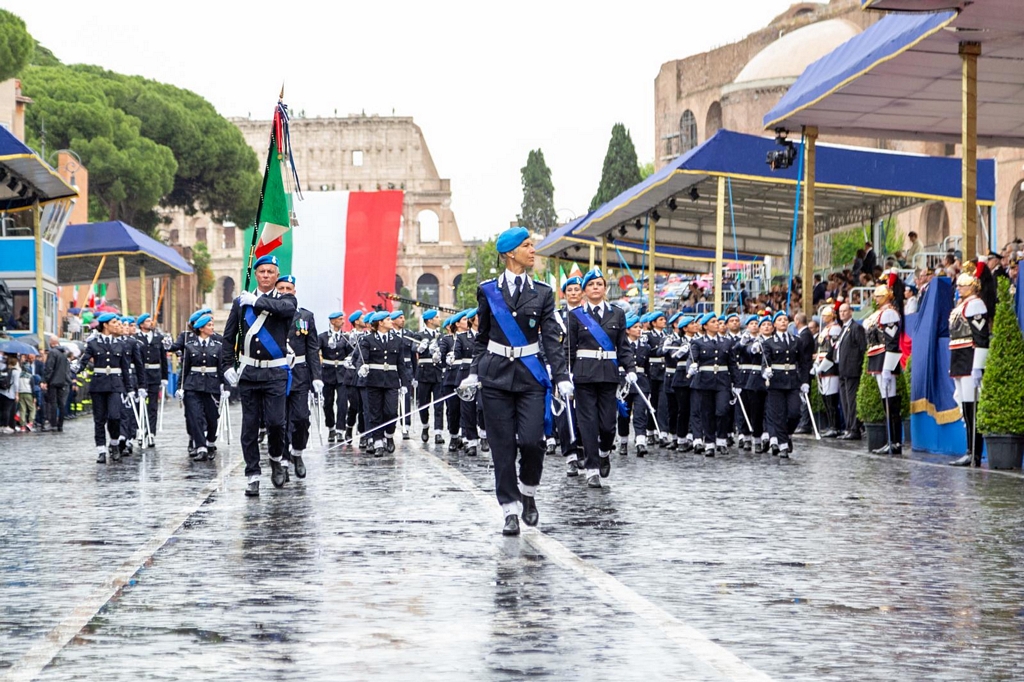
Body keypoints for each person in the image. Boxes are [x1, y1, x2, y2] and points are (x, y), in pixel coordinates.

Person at [463, 226, 570, 535]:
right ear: (510, 253)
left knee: (533, 441)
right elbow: (482, 338)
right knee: (502, 446)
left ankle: (529, 491)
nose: (533, 250)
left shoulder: (543, 293)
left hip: (530, 377)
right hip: (495, 377)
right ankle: (510, 509)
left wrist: (561, 377)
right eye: (527, 246)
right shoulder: (487, 290)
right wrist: (473, 373)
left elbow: (551, 339)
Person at [220, 254, 298, 497]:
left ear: (276, 276)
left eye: (270, 272)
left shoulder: (285, 299)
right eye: (262, 272)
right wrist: (226, 366)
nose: (266, 276)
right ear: (256, 274)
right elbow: (228, 337)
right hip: (249, 372)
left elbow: (284, 310)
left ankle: (275, 458)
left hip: (275, 372)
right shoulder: (240, 303)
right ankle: (252, 474)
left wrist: (257, 301)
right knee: (250, 427)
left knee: (276, 423)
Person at [568, 267, 637, 487]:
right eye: (591, 285)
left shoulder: (617, 313)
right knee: (587, 423)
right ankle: (591, 468)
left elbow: (623, 346)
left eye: (599, 284)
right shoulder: (575, 315)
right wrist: (565, 375)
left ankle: (605, 451)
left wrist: (631, 368)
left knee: (608, 425)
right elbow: (569, 348)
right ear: (584, 291)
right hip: (584, 375)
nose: (595, 288)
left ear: (605, 288)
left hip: (608, 375)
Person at [277, 274, 322, 478]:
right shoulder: (269, 315)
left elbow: (312, 349)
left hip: (300, 374)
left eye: (289, 288)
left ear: (295, 291)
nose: (285, 292)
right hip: (277, 373)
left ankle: (297, 452)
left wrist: (317, 377)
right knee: (280, 421)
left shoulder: (305, 317)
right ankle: (283, 459)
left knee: (301, 418)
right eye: (282, 289)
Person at [73, 312, 133, 462]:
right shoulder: (93, 343)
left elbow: (125, 368)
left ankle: (114, 442)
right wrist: (75, 368)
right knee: (99, 419)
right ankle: (101, 450)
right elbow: (84, 361)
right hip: (99, 385)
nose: (116, 325)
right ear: (105, 325)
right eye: (114, 322)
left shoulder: (121, 344)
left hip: (115, 385)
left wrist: (129, 389)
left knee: (115, 416)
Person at [948, 267, 990, 467]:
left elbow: (981, 337)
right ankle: (969, 449)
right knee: (965, 407)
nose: (959, 288)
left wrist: (978, 365)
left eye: (963, 285)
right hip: (959, 357)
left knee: (972, 406)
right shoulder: (961, 305)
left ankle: (975, 451)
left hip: (969, 357)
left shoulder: (975, 305)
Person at [356, 310, 408, 455]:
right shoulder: (367, 340)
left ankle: (389, 436)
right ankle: (378, 441)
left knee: (391, 411)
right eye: (388, 320)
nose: (391, 322)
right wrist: (362, 368)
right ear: (380, 323)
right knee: (375, 412)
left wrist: (404, 383)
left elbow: (401, 364)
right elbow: (362, 359)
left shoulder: (397, 340)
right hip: (373, 381)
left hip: (391, 381)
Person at [176, 314, 227, 461]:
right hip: (193, 385)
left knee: (212, 418)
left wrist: (226, 386)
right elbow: (185, 368)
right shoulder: (189, 346)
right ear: (202, 328)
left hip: (211, 386)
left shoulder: (218, 346)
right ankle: (201, 447)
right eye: (209, 325)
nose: (212, 328)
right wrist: (180, 387)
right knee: (195, 417)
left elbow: (222, 368)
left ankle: (210, 442)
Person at [686, 313, 736, 455]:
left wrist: (736, 383)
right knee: (707, 413)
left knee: (722, 410)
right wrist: (691, 367)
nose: (717, 324)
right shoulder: (698, 342)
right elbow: (692, 358)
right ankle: (709, 443)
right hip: (705, 381)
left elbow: (732, 364)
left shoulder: (726, 342)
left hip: (722, 381)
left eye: (718, 322)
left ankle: (721, 438)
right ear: (706, 326)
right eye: (713, 322)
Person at [863, 282, 903, 454]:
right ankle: (890, 440)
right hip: (877, 357)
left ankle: (895, 441)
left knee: (891, 401)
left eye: (879, 296)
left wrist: (888, 367)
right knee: (885, 401)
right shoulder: (878, 314)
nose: (876, 299)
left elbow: (892, 342)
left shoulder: (889, 314)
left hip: (885, 358)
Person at [760, 311, 806, 458]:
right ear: (775, 324)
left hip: (792, 381)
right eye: (780, 320)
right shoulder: (768, 343)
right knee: (778, 415)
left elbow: (803, 363)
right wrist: (765, 372)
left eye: (785, 319)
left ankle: (787, 434)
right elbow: (765, 361)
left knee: (795, 413)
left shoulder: (796, 340)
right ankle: (783, 445)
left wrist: (804, 381)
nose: (783, 322)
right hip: (776, 382)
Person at [556, 276, 584, 475]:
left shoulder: (588, 315)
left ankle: (584, 447)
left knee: (586, 412)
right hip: (563, 369)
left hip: (585, 368)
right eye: (570, 290)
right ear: (564, 294)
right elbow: (547, 340)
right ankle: (571, 455)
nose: (573, 293)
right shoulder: (556, 317)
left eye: (577, 289)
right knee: (565, 414)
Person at [617, 315, 651, 456]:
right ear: (627, 330)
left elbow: (648, 367)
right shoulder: (620, 346)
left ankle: (640, 441)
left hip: (641, 382)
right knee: (624, 414)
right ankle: (623, 441)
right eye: (635, 327)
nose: (639, 330)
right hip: (624, 383)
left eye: (640, 327)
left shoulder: (645, 347)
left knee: (640, 413)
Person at [135, 313, 168, 447]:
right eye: (147, 321)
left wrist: (164, 377)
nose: (150, 323)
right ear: (141, 324)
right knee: (140, 404)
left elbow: (163, 359)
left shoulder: (158, 338)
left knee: (152, 406)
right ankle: (140, 430)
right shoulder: (136, 339)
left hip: (154, 375)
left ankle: (151, 433)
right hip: (141, 374)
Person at [835, 302, 866, 439]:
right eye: (840, 311)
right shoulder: (843, 329)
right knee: (845, 400)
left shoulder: (856, 328)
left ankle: (854, 428)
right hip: (842, 369)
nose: (842, 313)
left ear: (850, 312)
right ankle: (848, 427)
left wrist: (858, 366)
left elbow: (861, 348)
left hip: (852, 369)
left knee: (851, 400)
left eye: (845, 311)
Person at [319, 311, 352, 443]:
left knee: (342, 402)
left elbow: (351, 353)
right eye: (339, 319)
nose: (342, 321)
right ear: (332, 321)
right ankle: (331, 427)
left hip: (342, 374)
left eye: (342, 319)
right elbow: (315, 352)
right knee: (328, 403)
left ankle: (340, 430)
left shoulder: (346, 337)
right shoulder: (323, 337)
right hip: (327, 373)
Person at [414, 309, 444, 444]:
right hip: (424, 373)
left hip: (437, 372)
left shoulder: (441, 336)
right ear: (430, 320)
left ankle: (438, 432)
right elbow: (414, 348)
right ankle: (425, 426)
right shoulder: (419, 335)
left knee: (439, 404)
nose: (439, 320)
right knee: (423, 404)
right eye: (437, 317)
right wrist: (420, 347)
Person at [812, 306, 842, 437]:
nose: (823, 318)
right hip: (822, 364)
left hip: (830, 366)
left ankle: (834, 426)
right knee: (825, 397)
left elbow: (832, 349)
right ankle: (831, 424)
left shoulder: (835, 328)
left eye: (825, 315)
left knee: (831, 398)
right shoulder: (825, 329)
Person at [454, 308, 480, 455]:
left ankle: (483, 434)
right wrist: (451, 356)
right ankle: (471, 442)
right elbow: (457, 353)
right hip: (466, 375)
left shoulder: (486, 335)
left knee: (483, 408)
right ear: (472, 320)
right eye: (478, 316)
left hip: (483, 375)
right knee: (468, 410)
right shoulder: (462, 337)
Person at [438, 312, 464, 451]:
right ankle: (454, 436)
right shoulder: (447, 340)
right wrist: (441, 356)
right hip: (452, 378)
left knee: (467, 409)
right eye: (464, 320)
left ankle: (467, 437)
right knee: (453, 409)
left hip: (466, 376)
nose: (467, 322)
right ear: (457, 324)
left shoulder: (472, 338)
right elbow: (441, 357)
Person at [390, 310, 415, 439]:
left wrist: (415, 375)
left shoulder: (409, 335)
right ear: (393, 321)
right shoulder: (389, 335)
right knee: (392, 401)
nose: (403, 320)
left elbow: (413, 356)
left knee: (406, 400)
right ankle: (390, 428)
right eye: (400, 318)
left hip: (407, 370)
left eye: (403, 317)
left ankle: (406, 426)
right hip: (393, 370)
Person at [42, 335, 71, 432]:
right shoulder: (63, 353)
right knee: (61, 403)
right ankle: (60, 424)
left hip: (53, 381)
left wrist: (45, 380)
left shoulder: (53, 352)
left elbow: (49, 367)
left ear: (52, 342)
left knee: (53, 403)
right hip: (62, 381)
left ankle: (53, 424)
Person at [16, 354, 37, 431]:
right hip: (29, 393)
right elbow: (32, 387)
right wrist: (34, 397)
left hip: (21, 393)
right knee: (32, 409)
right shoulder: (30, 376)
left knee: (22, 409)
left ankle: (22, 426)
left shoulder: (19, 375)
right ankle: (30, 423)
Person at [0, 354, 19, 432]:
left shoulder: (3, 369)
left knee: (1, 410)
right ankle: (6, 425)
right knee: (7, 410)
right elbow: (16, 384)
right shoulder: (15, 371)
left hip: (1, 391)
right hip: (9, 393)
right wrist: (17, 394)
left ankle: (1, 425)